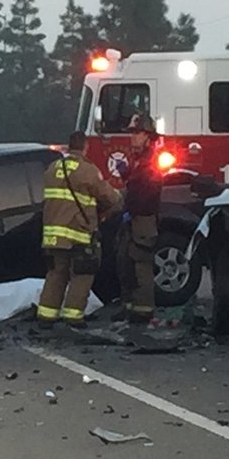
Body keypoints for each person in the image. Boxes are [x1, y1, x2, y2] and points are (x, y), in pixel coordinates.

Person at [37, 132, 121, 329]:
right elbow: (109, 197)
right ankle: (73, 317)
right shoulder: (87, 171)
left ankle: (46, 315)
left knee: (56, 274)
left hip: (53, 235)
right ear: (85, 147)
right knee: (82, 274)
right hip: (77, 232)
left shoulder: (52, 168)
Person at [114, 113, 162, 324]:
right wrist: (126, 175)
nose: (132, 137)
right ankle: (129, 307)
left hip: (142, 219)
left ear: (148, 136)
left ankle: (143, 311)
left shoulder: (151, 162)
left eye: (136, 133)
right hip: (132, 219)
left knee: (141, 265)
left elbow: (145, 192)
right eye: (131, 133)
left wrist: (129, 208)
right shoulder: (139, 160)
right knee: (125, 263)